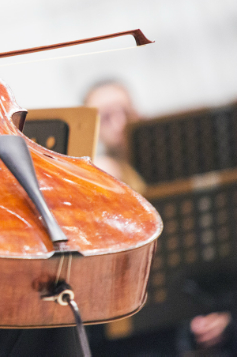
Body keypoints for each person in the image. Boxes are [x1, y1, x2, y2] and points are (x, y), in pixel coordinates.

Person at [84, 80, 235, 355]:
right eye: (106, 118)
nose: (119, 123)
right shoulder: (101, 174)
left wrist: (224, 314)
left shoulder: (176, 169)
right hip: (143, 333)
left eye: (125, 112)